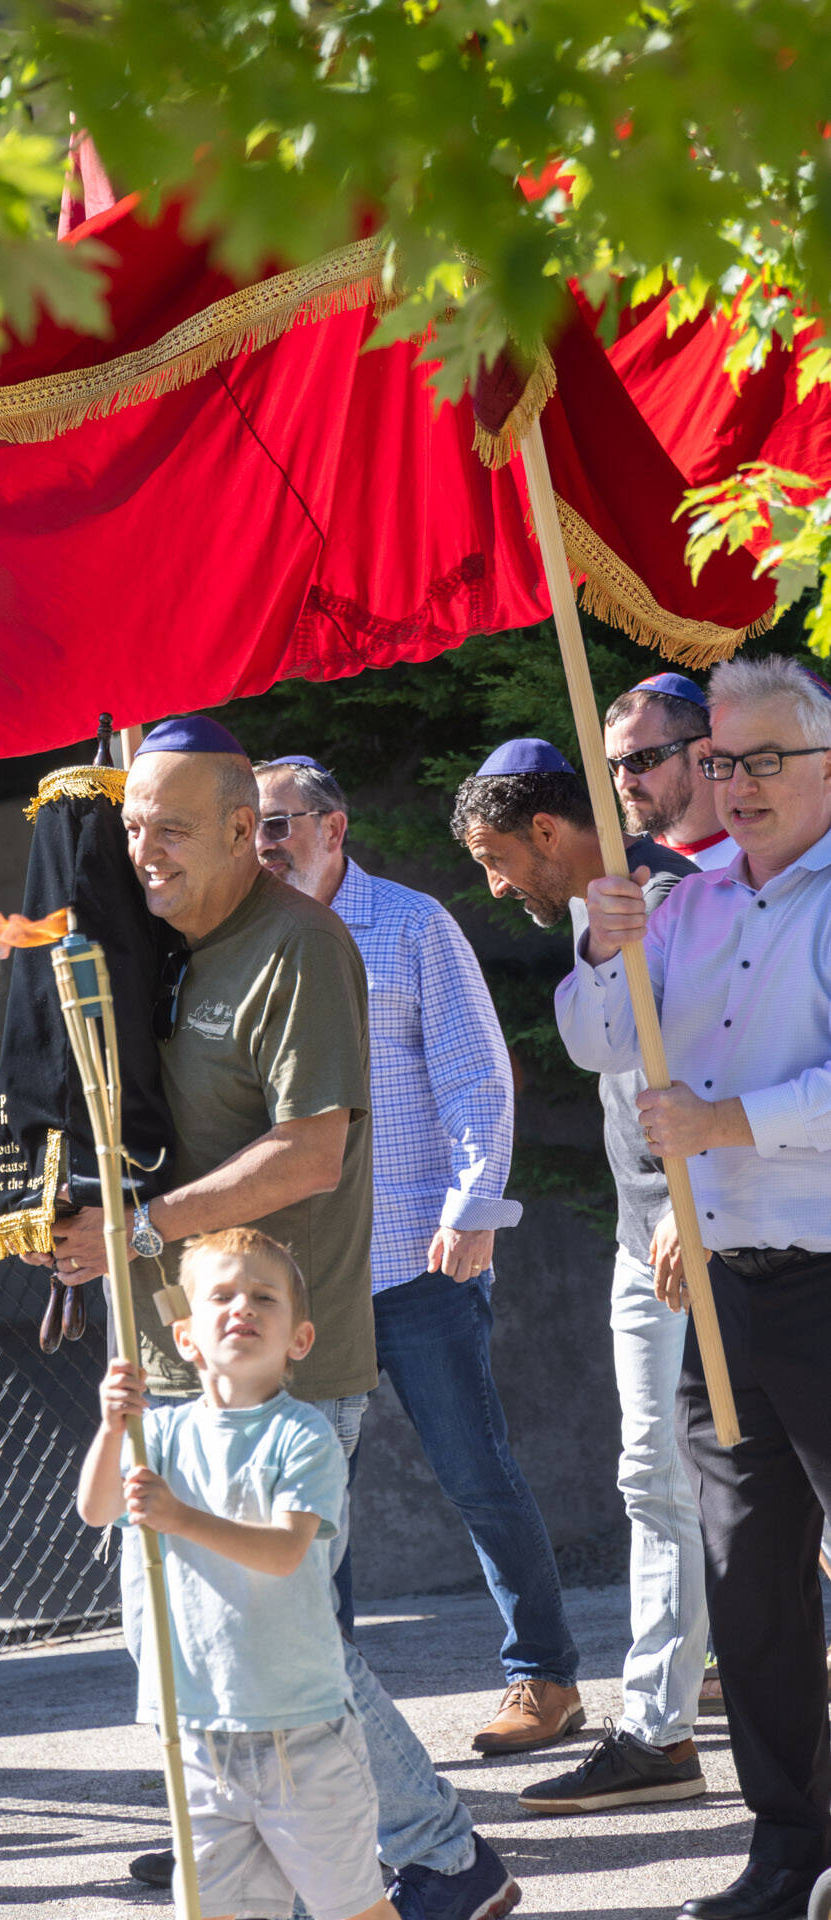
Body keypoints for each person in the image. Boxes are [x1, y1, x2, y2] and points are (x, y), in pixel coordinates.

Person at [51, 716, 520, 1920]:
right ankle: (245, 1835)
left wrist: (140, 1230)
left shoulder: (297, 946)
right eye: (130, 827)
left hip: (280, 1356)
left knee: (283, 1631)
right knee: (188, 1628)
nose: (140, 850)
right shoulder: (166, 948)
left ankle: (442, 1856)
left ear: (239, 835)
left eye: (166, 829)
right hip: (166, 1351)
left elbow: (309, 1154)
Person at [554, 654, 831, 1920]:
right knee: (751, 1587)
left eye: (767, 759)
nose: (737, 782)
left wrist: (729, 1122)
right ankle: (789, 1850)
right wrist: (607, 950)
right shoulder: (694, 898)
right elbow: (603, 1044)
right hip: (722, 1291)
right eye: (721, 760)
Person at [254, 754, 583, 1758]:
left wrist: (474, 1204)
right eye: (248, 828)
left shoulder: (407, 926)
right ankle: (327, 1701)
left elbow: (474, 1074)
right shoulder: (237, 942)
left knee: (473, 1468)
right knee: (309, 1497)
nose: (259, 845)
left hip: (413, 1254)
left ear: (331, 826)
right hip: (303, 1269)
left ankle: (544, 1676)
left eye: (274, 825)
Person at [451, 736, 709, 1815]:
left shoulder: (679, 896)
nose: (495, 881)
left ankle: (671, 1721)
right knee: (657, 1479)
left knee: (744, 1478)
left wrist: (691, 1203)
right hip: (639, 1232)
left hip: (703, 1225)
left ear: (544, 833)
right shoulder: (593, 904)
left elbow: (711, 1051)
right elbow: (599, 1045)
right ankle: (657, 1730)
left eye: (496, 858)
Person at [79, 1228, 392, 1920]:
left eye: (262, 1297)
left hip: (301, 1731)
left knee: (353, 1907)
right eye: (220, 1296)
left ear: (299, 1339)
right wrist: (111, 1426)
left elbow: (284, 1552)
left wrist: (179, 1517)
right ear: (185, 1338)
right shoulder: (155, 1434)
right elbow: (98, 1508)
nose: (240, 1308)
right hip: (196, 1730)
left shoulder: (302, 1435)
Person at [605, 672, 737, 870]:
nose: (623, 782)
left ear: (703, 755)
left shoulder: (765, 860)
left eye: (641, 759)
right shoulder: (626, 871)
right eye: (614, 765)